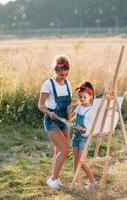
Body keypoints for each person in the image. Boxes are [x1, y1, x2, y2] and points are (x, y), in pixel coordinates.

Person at [38, 55, 73, 189]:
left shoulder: (68, 83)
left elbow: (69, 102)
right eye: (61, 74)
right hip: (52, 120)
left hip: (64, 121)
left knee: (58, 151)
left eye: (66, 74)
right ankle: (53, 179)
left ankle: (54, 177)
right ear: (55, 70)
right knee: (65, 150)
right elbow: (41, 105)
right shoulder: (48, 84)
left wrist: (72, 109)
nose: (63, 76)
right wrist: (49, 112)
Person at [69, 81, 97, 190]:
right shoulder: (79, 107)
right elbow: (70, 119)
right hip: (76, 136)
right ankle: (76, 182)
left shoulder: (92, 111)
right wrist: (69, 111)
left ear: (90, 96)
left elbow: (91, 128)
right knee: (76, 159)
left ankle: (93, 183)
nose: (82, 99)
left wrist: (81, 128)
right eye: (80, 97)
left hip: (84, 138)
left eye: (84, 97)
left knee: (82, 161)